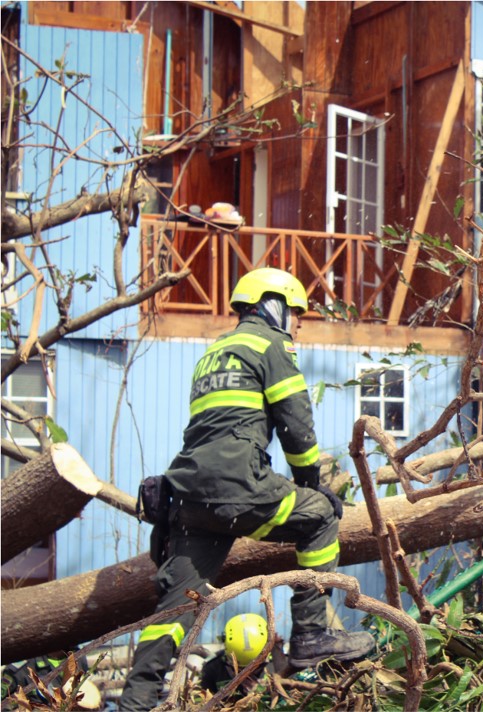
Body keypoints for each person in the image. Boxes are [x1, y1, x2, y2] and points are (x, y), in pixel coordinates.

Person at [119, 268, 375, 710]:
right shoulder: (272, 344)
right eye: (295, 313)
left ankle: (135, 701)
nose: (297, 324)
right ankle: (312, 634)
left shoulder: (214, 352)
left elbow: (212, 432)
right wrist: (311, 486)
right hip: (238, 486)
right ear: (275, 305)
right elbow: (296, 427)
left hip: (190, 497)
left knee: (176, 609)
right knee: (320, 515)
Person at [199, 614, 285, 697]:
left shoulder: (279, 664)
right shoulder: (213, 667)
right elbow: (199, 702)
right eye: (239, 668)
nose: (246, 672)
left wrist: (261, 691)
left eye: (256, 668)